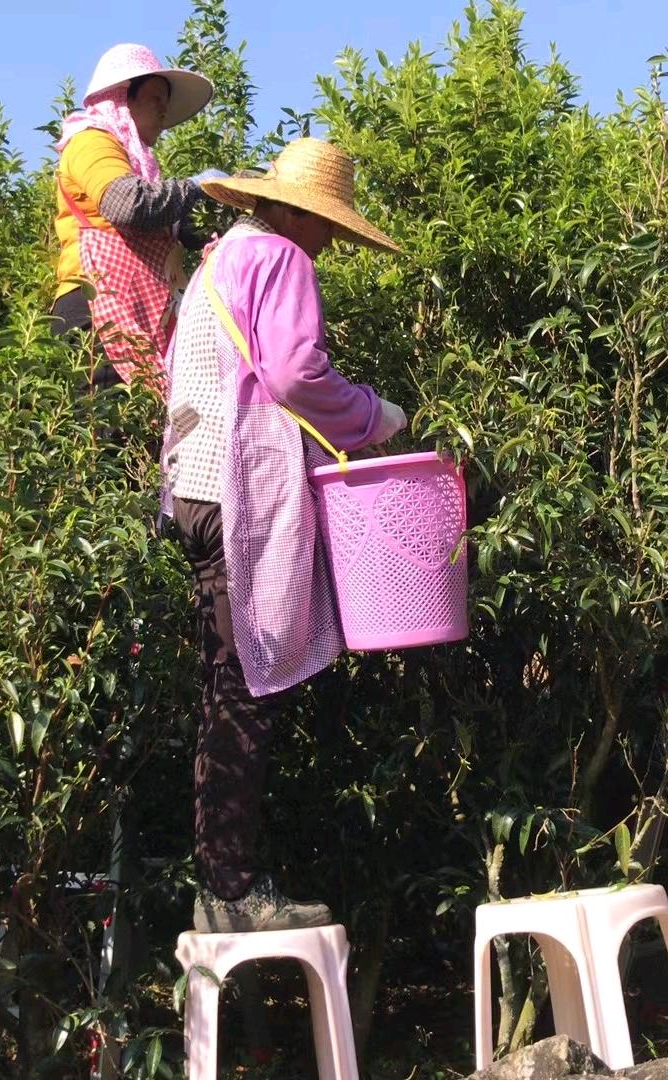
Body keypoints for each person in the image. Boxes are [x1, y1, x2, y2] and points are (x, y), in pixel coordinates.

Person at [162, 138, 409, 933]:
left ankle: (222, 886)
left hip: (190, 487)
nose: (330, 240)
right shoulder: (280, 258)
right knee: (246, 687)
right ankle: (231, 891)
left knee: (227, 683)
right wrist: (375, 415)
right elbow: (296, 374)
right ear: (301, 213)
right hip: (235, 492)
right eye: (329, 223)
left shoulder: (222, 258)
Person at [51, 43, 222, 389]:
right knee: (107, 420)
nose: (163, 110)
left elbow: (171, 225)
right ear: (123, 97)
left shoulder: (134, 163)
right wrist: (196, 187)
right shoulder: (90, 141)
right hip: (93, 309)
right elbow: (128, 204)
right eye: (156, 98)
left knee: (139, 415)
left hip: (128, 305)